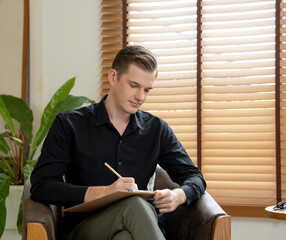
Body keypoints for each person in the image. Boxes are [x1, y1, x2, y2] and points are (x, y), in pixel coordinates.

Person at [30, 45, 206, 240]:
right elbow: (41, 186)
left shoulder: (156, 129)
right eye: (134, 85)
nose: (141, 97)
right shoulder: (69, 124)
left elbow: (194, 176)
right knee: (135, 205)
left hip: (138, 228)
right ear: (113, 77)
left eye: (147, 90)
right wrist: (105, 192)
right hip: (85, 230)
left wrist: (178, 195)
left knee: (125, 237)